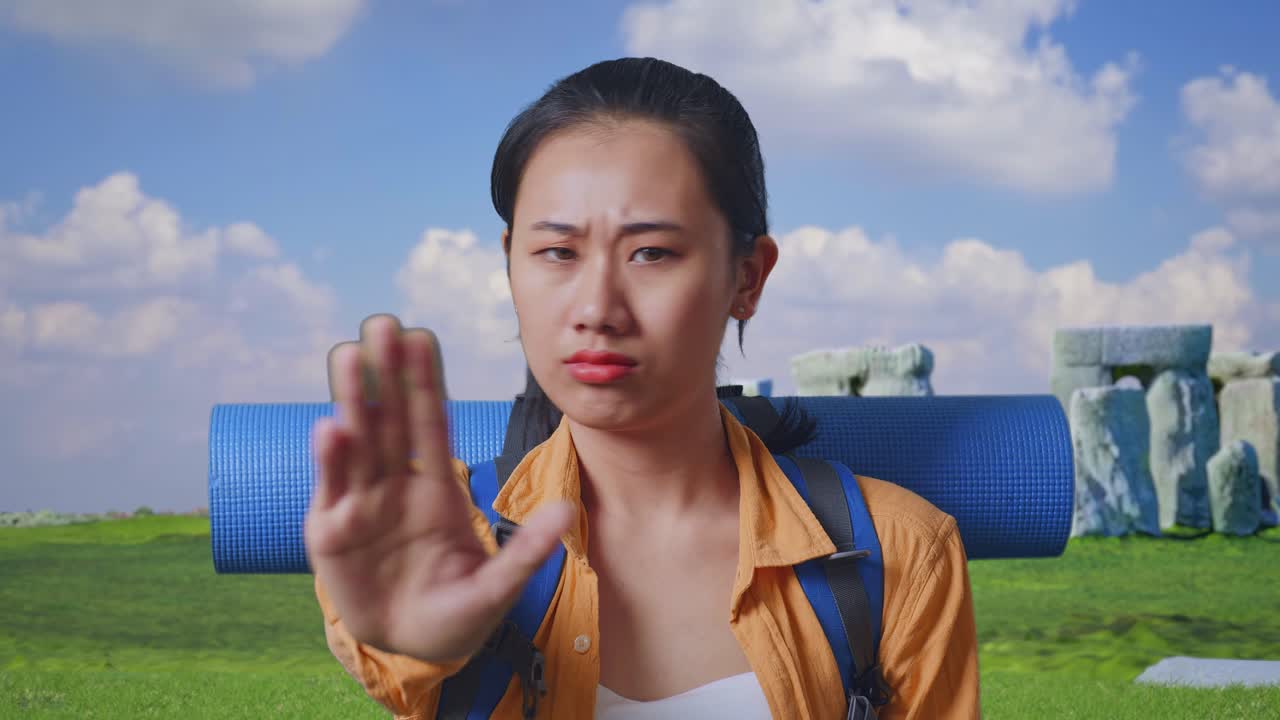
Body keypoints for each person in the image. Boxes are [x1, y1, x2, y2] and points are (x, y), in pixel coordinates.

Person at [307, 57, 980, 719]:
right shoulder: (439, 534)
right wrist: (413, 648)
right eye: (558, 253)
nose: (597, 308)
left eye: (651, 252)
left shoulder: (903, 552)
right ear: (510, 265)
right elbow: (399, 644)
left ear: (747, 277)